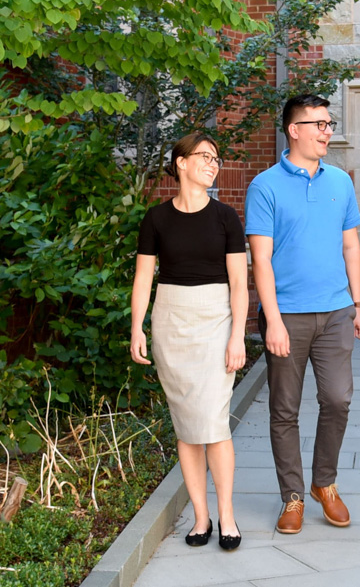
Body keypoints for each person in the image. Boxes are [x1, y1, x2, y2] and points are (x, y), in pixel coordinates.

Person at [245, 94, 360, 534]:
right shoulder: (264, 186)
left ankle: (325, 484)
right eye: (317, 124)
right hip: (288, 316)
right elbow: (260, 260)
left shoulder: (340, 181)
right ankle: (292, 496)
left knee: (338, 399)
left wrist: (358, 304)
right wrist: (273, 320)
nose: (326, 131)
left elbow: (350, 245)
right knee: (285, 409)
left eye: (329, 123)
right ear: (293, 130)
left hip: (337, 311)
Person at [131, 134, 248, 551]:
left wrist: (238, 334)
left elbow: (239, 283)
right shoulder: (156, 218)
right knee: (186, 424)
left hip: (216, 319)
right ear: (180, 163)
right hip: (171, 320)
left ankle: (227, 516)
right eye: (205, 157)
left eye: (216, 159)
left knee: (214, 423)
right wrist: (136, 328)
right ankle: (201, 517)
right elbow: (145, 277)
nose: (213, 164)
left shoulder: (225, 217)